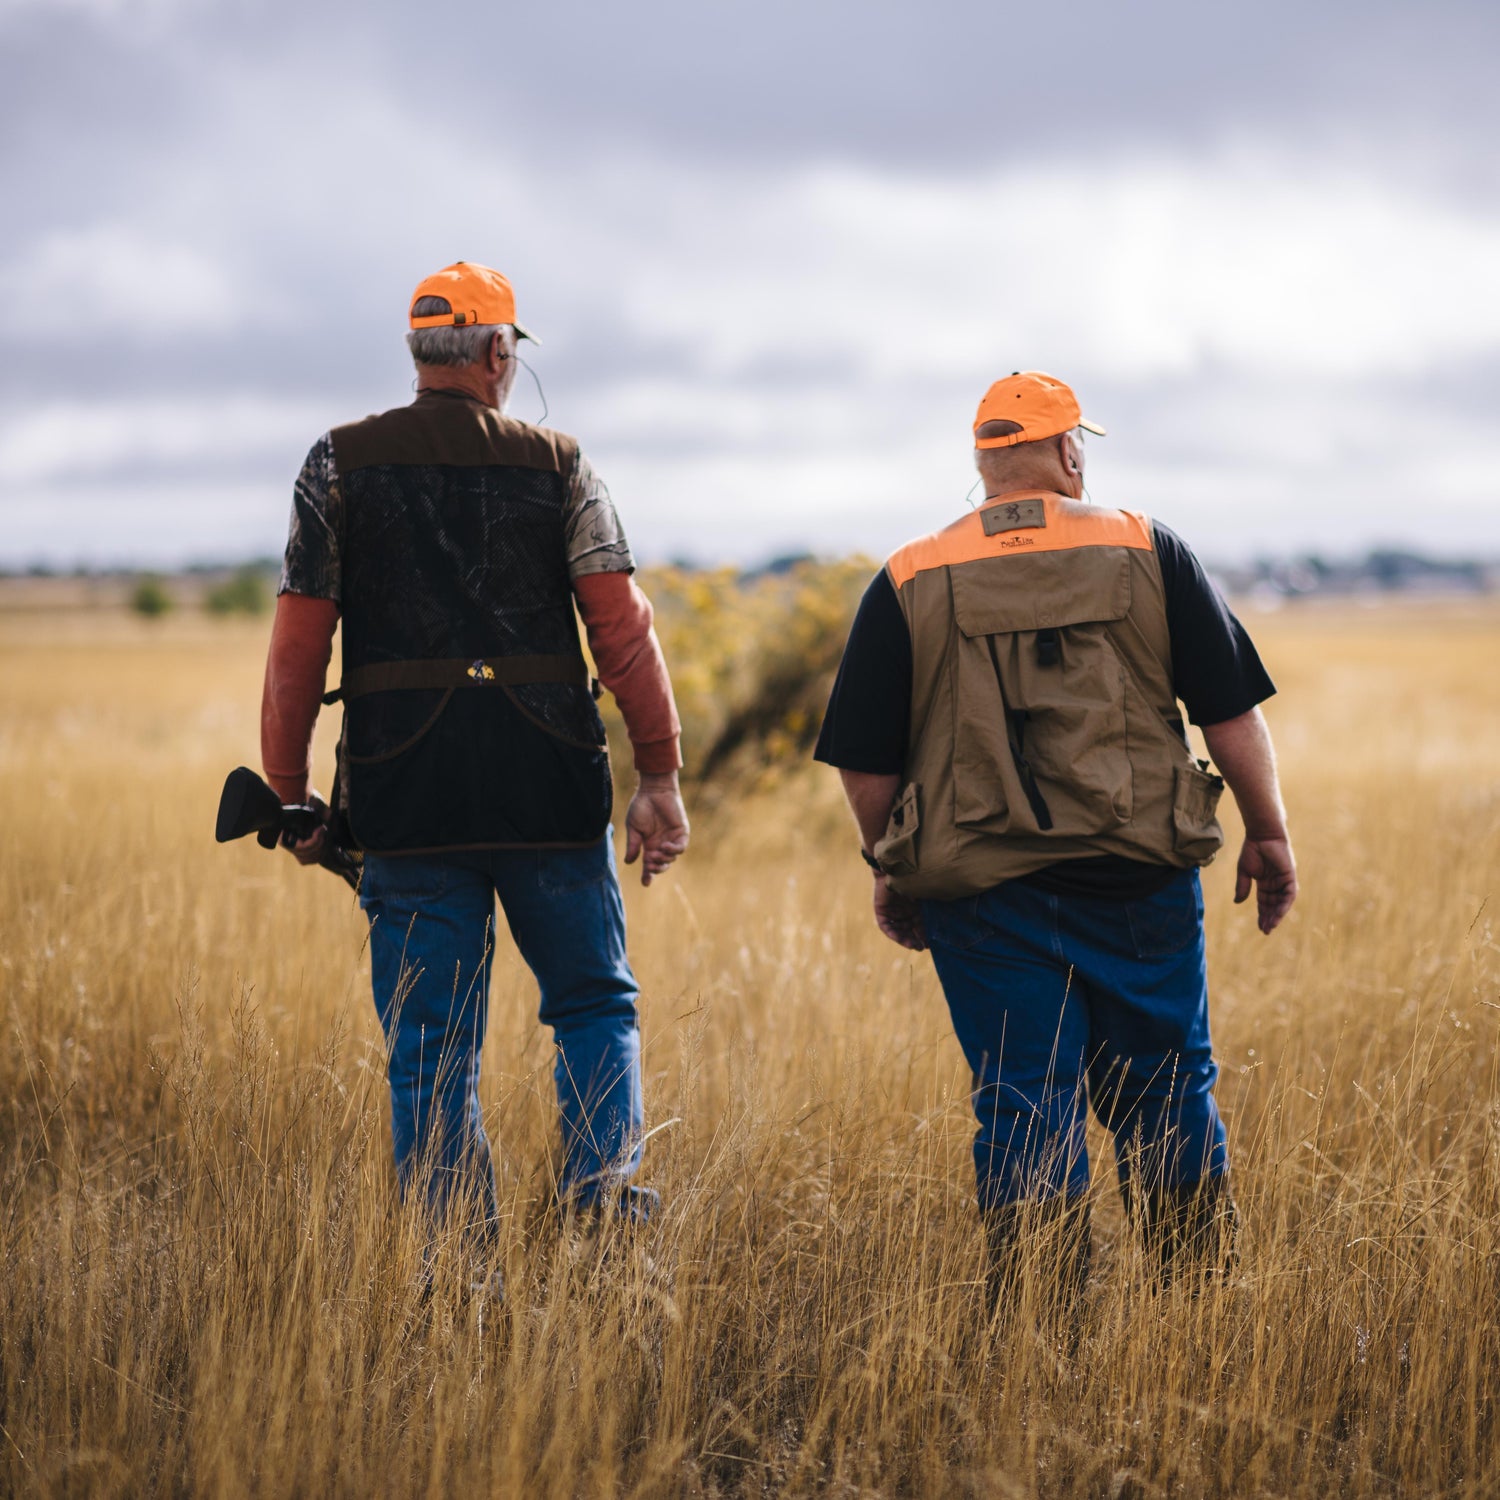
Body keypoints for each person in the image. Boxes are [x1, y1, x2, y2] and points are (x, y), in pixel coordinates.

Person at [814, 371, 1296, 1302]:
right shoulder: (1150, 548)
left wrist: (892, 867)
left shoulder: (910, 573)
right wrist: (1268, 833)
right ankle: (1194, 1301)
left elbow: (864, 762)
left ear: (985, 464)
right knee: (1166, 1087)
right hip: (1139, 879)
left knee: (1022, 1095)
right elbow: (1230, 711)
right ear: (1072, 451)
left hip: (980, 897)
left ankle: (1043, 1320)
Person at [260, 260, 689, 1248]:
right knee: (592, 1006)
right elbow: (623, 634)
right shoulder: (562, 463)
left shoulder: (337, 463)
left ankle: (459, 1275)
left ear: (421, 353)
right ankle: (601, 1226)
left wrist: (290, 793)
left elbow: (297, 647)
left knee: (429, 1052)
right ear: (498, 352)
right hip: (548, 787)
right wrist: (658, 776)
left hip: (408, 797)